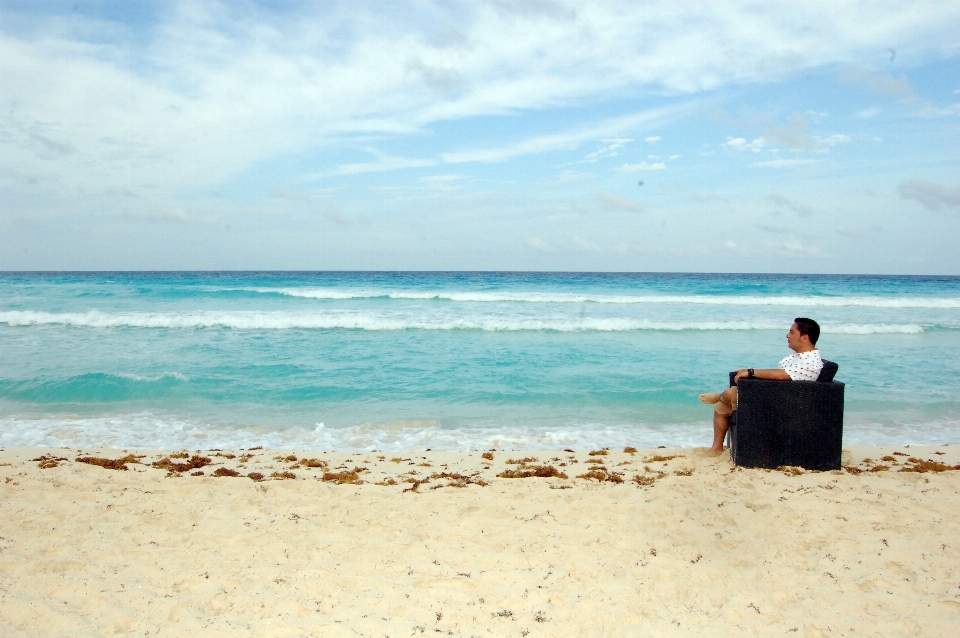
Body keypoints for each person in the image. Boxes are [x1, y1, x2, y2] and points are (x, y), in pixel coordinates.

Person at [699, 318, 823, 457]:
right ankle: (716, 447)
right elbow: (779, 375)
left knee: (729, 395)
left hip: (782, 406)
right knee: (723, 405)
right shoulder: (799, 357)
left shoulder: (810, 362)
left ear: (804, 338)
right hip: (777, 396)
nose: (787, 335)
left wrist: (752, 372)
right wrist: (749, 373)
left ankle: (720, 396)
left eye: (792, 332)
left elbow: (782, 376)